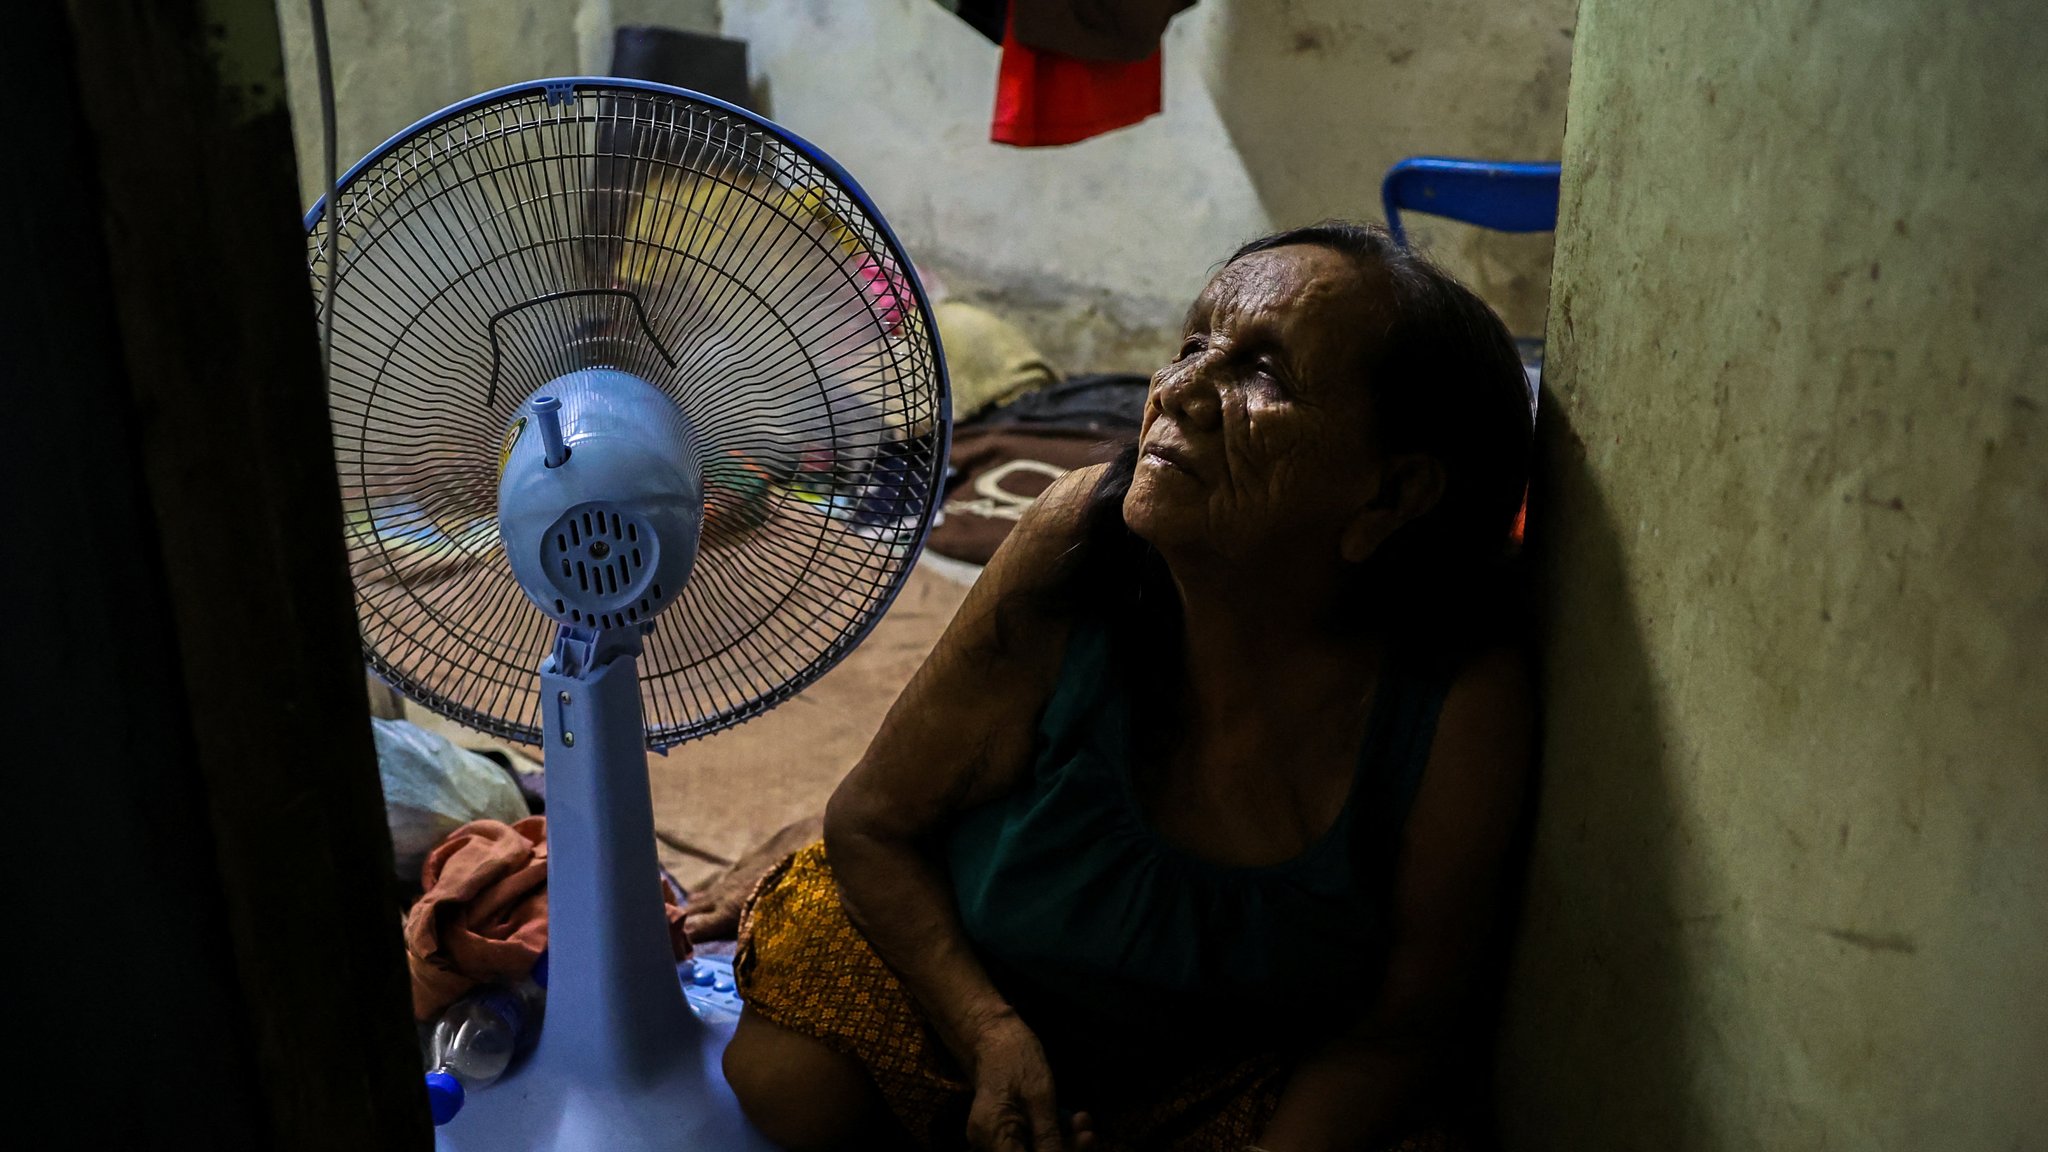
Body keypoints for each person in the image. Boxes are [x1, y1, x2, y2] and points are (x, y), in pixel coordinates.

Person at [714, 222, 1536, 1152]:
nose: (1178, 392)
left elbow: (1403, 1031)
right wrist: (989, 1036)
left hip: (1216, 1073)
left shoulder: (1457, 702)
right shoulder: (1080, 541)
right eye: (1193, 346)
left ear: (1391, 498)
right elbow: (871, 821)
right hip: (988, 990)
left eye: (1265, 374)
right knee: (792, 1085)